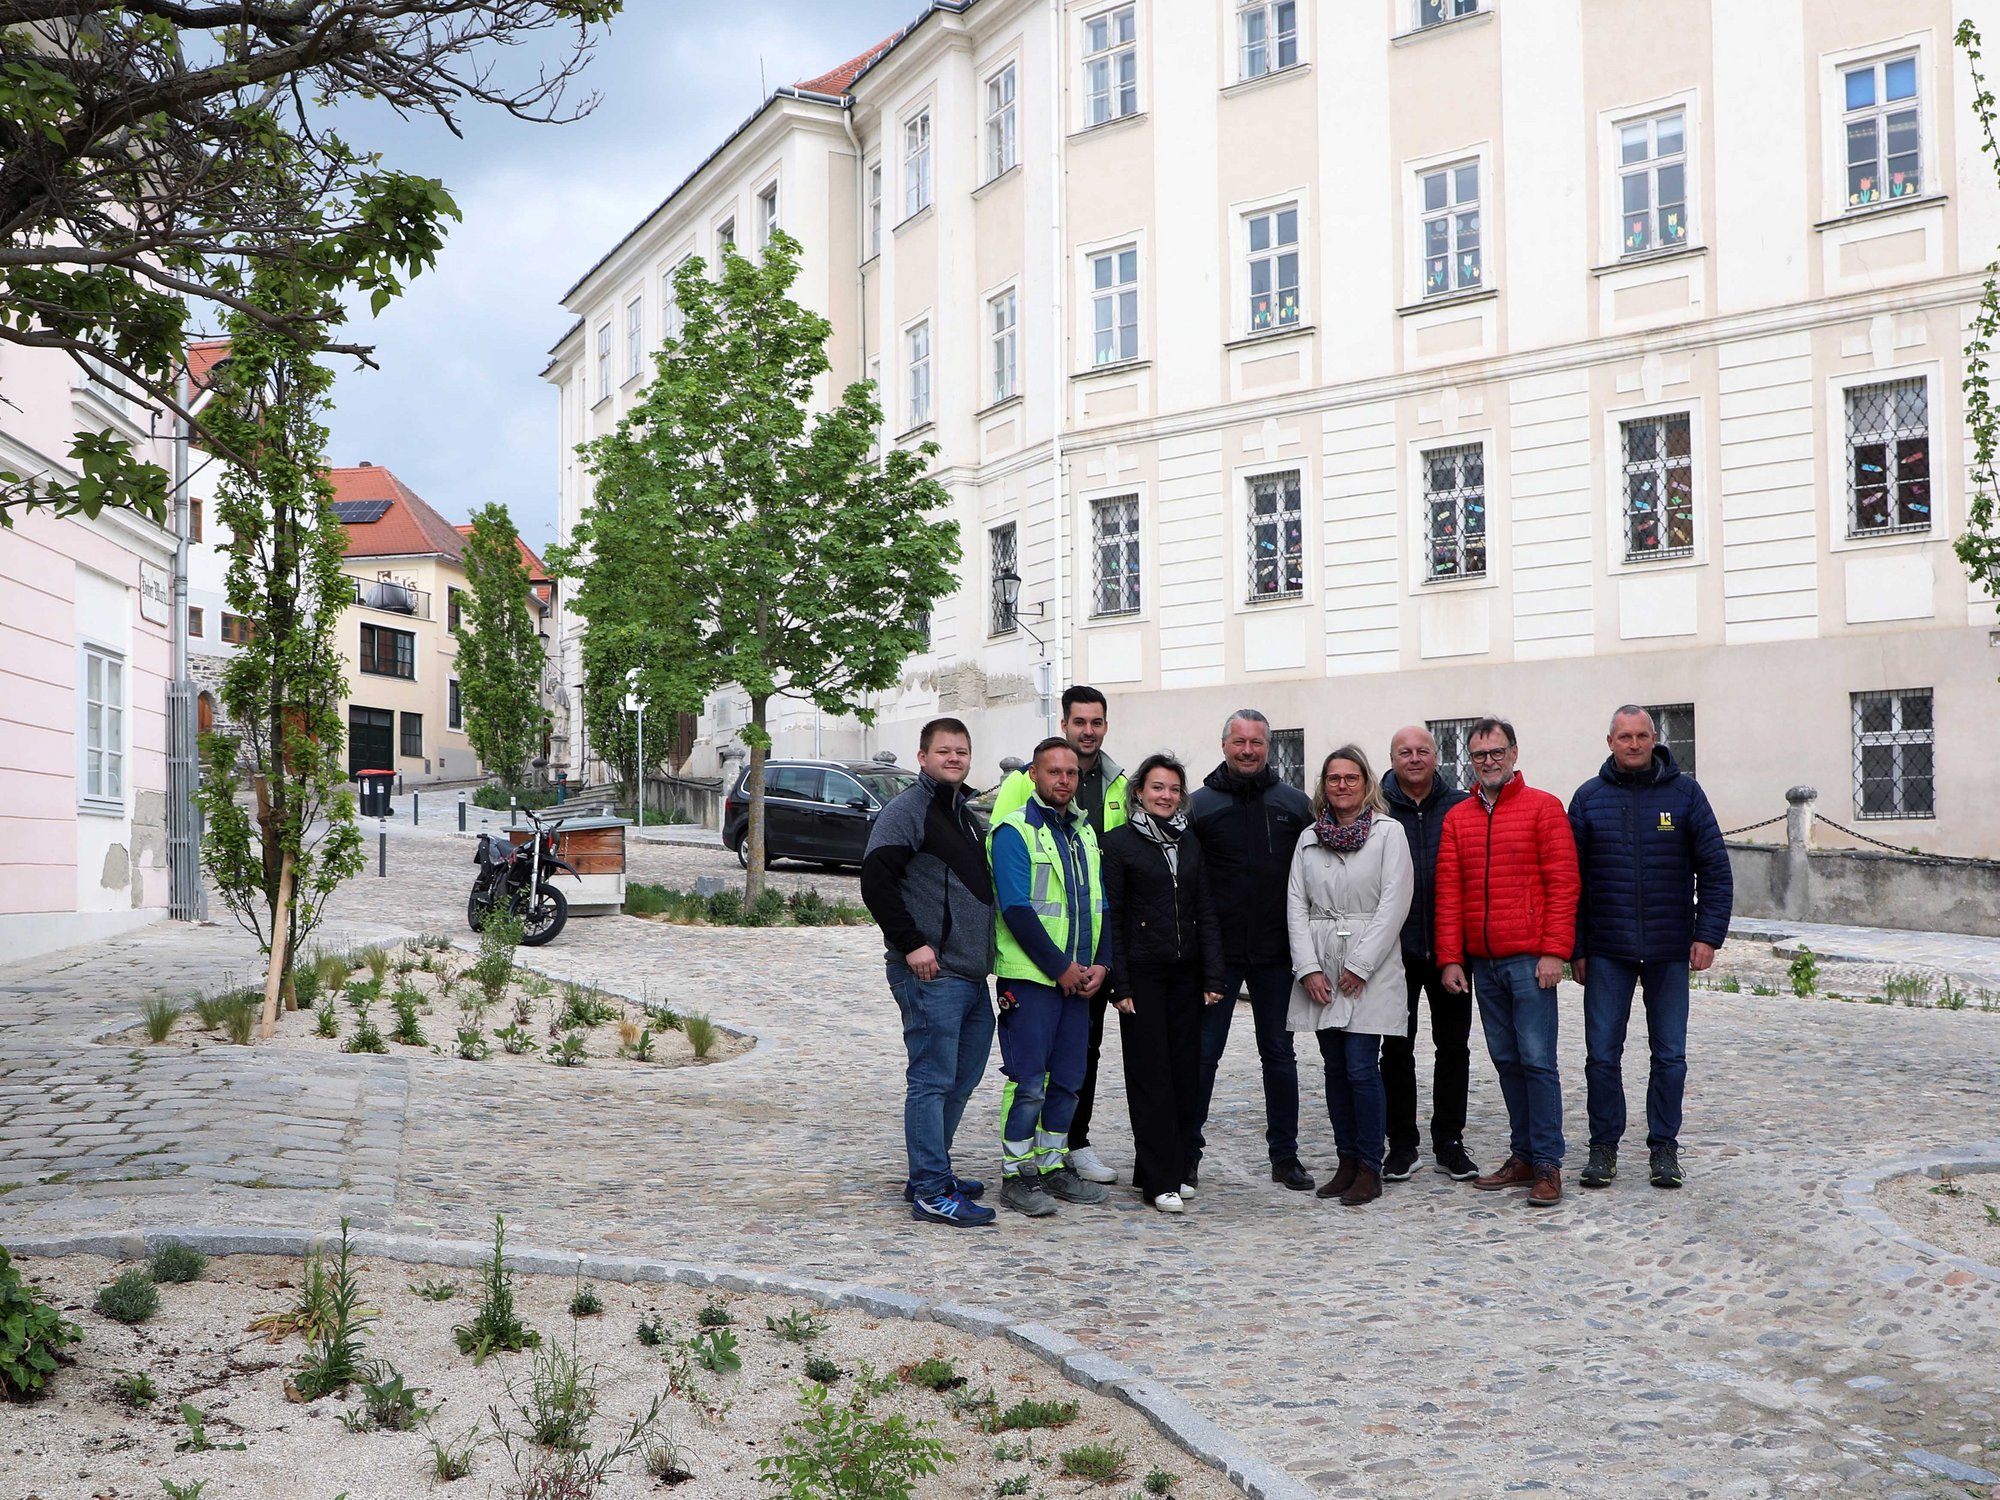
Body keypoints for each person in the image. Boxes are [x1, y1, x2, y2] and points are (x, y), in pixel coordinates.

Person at [1568, 705, 1734, 1192]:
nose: (1634, 744)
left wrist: (1707, 935)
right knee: (1601, 1055)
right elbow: (1569, 881)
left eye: (1642, 735)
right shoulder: (1588, 798)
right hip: (1606, 950)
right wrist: (1576, 946)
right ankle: (1603, 1147)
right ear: (1610, 741)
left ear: (1655, 738)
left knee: (1670, 1056)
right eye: (1624, 737)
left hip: (1667, 949)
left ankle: (1664, 1147)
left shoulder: (1685, 794)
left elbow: (1715, 869)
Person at [1435, 717, 1580, 1208]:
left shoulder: (1543, 808)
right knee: (1506, 1061)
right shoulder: (1459, 817)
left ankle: (1547, 1163)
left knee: (1538, 1061)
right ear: (1470, 761)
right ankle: (1523, 1154)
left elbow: (1564, 884)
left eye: (1497, 752)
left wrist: (1554, 951)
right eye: (1480, 756)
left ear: (1514, 754)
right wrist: (1451, 958)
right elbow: (1449, 892)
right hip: (1483, 962)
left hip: (1529, 959)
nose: (1489, 761)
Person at [861, 717, 998, 1227]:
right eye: (944, 751)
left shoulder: (963, 814)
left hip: (968, 974)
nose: (955, 759)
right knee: (932, 1080)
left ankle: (929, 1172)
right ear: (923, 757)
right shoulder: (908, 811)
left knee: (960, 1080)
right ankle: (932, 1191)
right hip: (930, 973)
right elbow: (875, 881)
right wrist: (913, 943)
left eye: (962, 751)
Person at [989, 686, 1128, 1186]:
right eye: (1054, 772)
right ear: (1034, 776)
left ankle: (1051, 1164)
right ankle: (1017, 1172)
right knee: (1028, 1081)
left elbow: (1101, 906)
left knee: (1069, 1081)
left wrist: (1103, 966)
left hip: (1081, 979)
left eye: (1071, 773)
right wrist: (1061, 967)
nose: (1065, 780)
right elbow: (1017, 910)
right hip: (1033, 979)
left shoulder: (1083, 832)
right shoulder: (1014, 831)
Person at [1190, 709, 1317, 1192]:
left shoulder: (1294, 805)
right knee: (1203, 1056)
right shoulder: (1199, 806)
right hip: (1217, 955)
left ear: (1269, 747)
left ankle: (1285, 1156)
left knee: (1279, 1056)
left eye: (1257, 743)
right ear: (1224, 745)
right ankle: (1188, 1152)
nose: (1248, 750)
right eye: (1239, 742)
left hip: (1276, 953)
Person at [1286, 746, 1414, 1207]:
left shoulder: (1388, 833)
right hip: (1322, 961)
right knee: (1335, 1068)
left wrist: (1360, 965)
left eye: (1351, 778)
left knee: (1361, 1066)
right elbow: (1296, 906)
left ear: (1366, 783)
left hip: (1370, 964)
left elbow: (1395, 903)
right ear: (1324, 785)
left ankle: (1368, 1164)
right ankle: (1345, 1158)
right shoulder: (1308, 839)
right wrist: (1308, 968)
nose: (1342, 785)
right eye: (1334, 778)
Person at [1100, 753, 1224, 1214]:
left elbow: (1205, 909)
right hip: (1143, 976)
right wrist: (1121, 984)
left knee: (1183, 1074)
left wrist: (1213, 973)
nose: (1166, 796)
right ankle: (1159, 1180)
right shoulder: (1118, 845)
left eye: (1173, 789)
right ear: (1139, 792)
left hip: (1185, 973)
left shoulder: (1189, 843)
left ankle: (1162, 1167)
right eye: (1157, 788)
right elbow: (1113, 918)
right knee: (1151, 1078)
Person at [1380, 726, 1478, 1183]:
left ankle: (1449, 1141)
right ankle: (1401, 1144)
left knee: (1453, 1048)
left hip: (1450, 950)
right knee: (1395, 1050)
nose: (1414, 758)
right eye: (1405, 752)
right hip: (1391, 953)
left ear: (1437, 756)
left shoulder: (1461, 804)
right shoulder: (1375, 806)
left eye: (1422, 750)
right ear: (1392, 757)